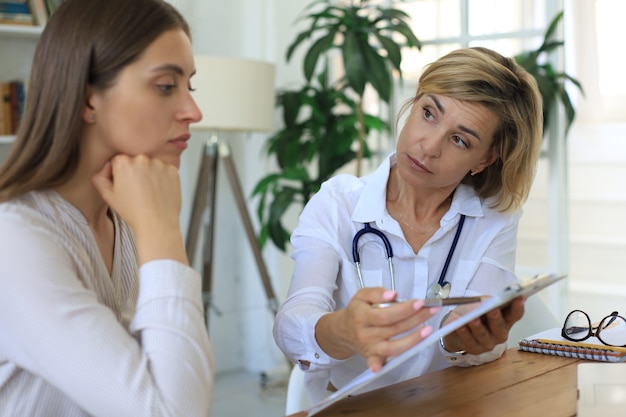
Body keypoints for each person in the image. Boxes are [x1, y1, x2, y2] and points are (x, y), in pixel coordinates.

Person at [273, 46, 543, 403]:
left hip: (450, 406)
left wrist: (463, 341)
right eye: (429, 113)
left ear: (485, 160)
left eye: (460, 140)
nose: (429, 146)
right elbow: (291, 324)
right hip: (352, 409)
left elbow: (474, 339)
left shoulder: (494, 219)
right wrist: (343, 331)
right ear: (414, 103)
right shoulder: (337, 204)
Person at [0, 0, 214, 416]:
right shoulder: (15, 241)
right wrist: (162, 230)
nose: (193, 111)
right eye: (166, 86)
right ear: (87, 100)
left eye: (190, 86)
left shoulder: (124, 218)